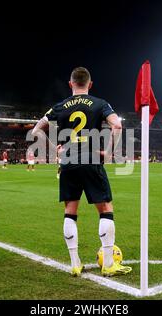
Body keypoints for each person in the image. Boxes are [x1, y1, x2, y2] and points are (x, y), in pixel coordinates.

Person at [32, 67, 132, 277]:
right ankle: (109, 264)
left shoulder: (59, 106)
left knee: (70, 210)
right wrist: (109, 152)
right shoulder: (100, 103)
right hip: (91, 159)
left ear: (70, 84)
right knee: (105, 208)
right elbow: (118, 126)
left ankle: (75, 264)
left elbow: (36, 130)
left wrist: (55, 150)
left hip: (68, 162)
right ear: (90, 84)